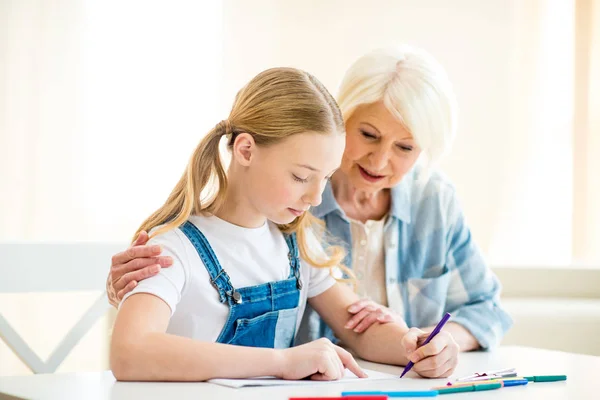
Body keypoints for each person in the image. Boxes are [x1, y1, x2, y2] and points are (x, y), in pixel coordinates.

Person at [109, 67, 459, 382]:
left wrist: (413, 345)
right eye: (300, 176)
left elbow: (358, 329)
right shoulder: (172, 248)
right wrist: (280, 361)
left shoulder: (297, 242)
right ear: (245, 150)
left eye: (324, 179)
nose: (316, 198)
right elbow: (129, 352)